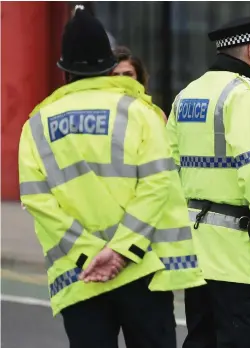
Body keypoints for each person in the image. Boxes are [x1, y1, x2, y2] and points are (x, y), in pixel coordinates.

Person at [18, 6, 204, 348]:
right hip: (141, 267)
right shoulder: (139, 112)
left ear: (66, 70)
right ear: (108, 64)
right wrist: (119, 252)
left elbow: (36, 199)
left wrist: (89, 254)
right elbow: (156, 184)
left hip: (80, 275)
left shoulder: (36, 125)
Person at [165, 15, 250, 348]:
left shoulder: (186, 96)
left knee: (200, 339)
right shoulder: (246, 97)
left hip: (198, 255)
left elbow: (169, 172)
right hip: (240, 258)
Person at [111, 45, 167, 122]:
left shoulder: (155, 114)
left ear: (139, 77)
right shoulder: (100, 110)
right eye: (115, 75)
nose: (122, 79)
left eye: (128, 74)